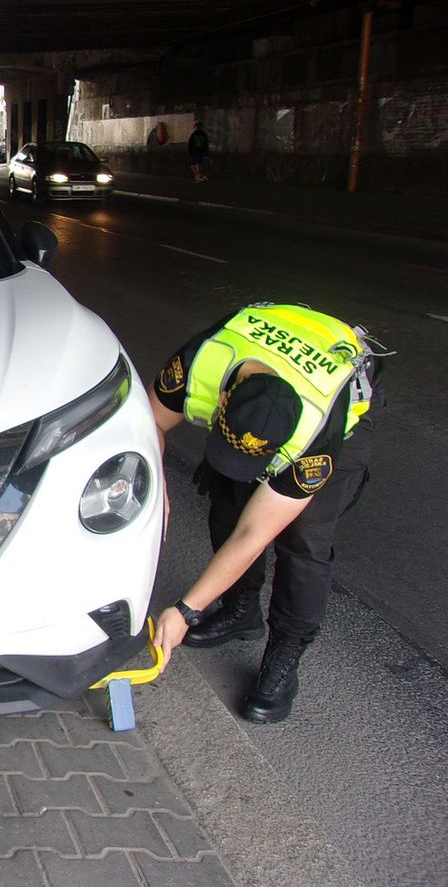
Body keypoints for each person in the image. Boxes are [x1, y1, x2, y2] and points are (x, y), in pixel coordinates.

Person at [150, 303, 386, 723]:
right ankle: (242, 611)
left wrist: (185, 609)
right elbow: (150, 423)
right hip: (274, 346)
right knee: (228, 494)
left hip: (341, 408)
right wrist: (157, 486)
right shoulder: (201, 360)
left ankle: (285, 657)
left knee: (303, 540)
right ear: (225, 397)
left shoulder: (316, 430)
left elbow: (253, 534)